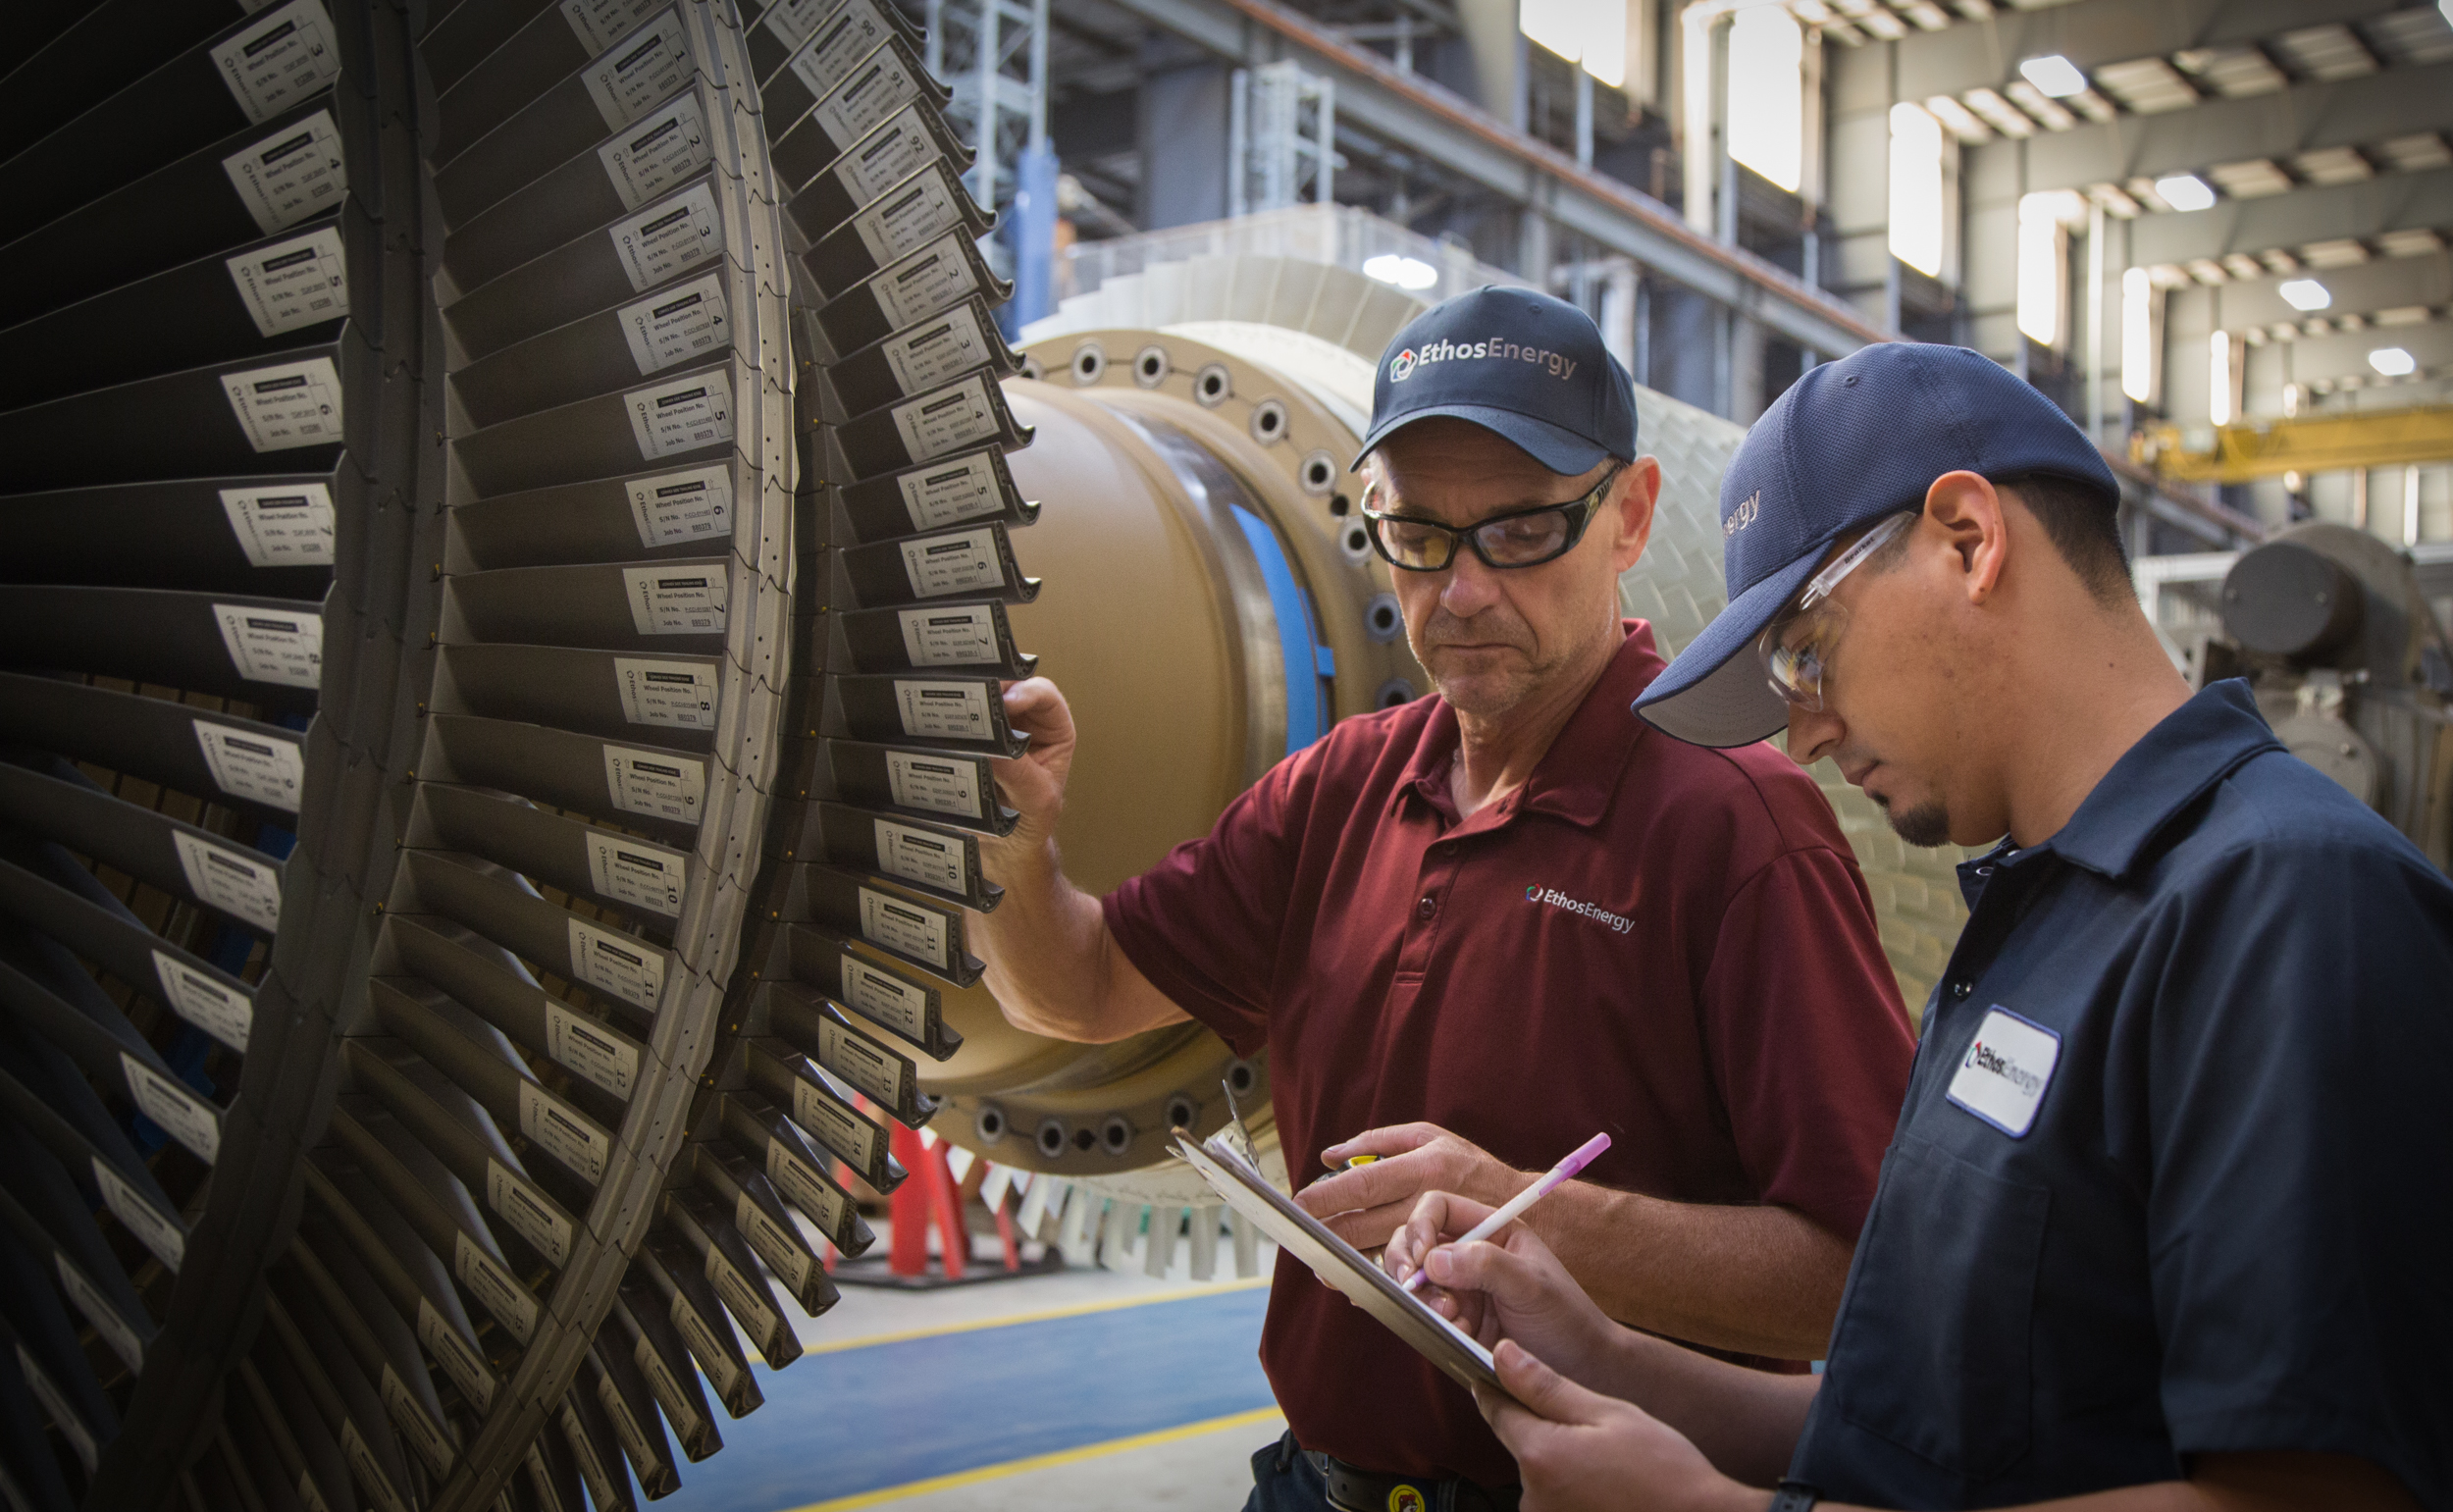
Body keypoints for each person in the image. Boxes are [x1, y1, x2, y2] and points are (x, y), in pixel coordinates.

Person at [1383, 340, 2453, 1512]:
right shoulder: (2040, 918)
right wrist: (1602, 1356)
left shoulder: (2285, 910)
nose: (1803, 735)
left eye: (1802, 653)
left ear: (1967, 540)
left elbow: (2311, 1497)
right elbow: (1928, 1425)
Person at [975, 287, 1918, 1511]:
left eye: (1519, 531)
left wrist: (1537, 1218)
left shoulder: (1735, 827)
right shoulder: (1338, 790)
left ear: (1629, 516)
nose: (1461, 589)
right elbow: (1080, 986)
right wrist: (1010, 834)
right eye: (1417, 535)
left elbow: (1870, 1270)